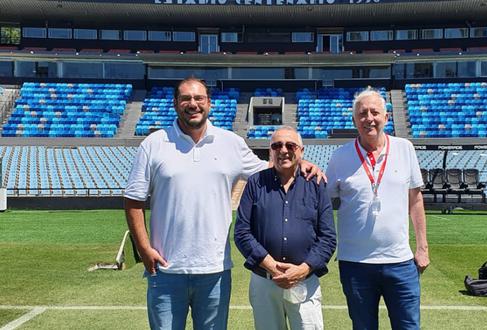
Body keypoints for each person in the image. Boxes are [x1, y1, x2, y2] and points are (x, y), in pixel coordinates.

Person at [124, 78, 323, 330]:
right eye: (186, 98)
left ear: (209, 104)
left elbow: (269, 169)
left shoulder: (230, 142)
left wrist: (301, 163)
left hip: (214, 269)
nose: (192, 104)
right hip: (166, 269)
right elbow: (133, 200)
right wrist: (143, 247)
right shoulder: (153, 144)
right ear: (175, 103)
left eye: (198, 99)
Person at [326, 88, 430, 330]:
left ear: (386, 117)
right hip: (355, 263)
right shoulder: (340, 157)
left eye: (375, 112)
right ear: (354, 120)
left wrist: (422, 248)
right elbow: (325, 204)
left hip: (400, 262)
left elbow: (415, 200)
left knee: (408, 327)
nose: (369, 118)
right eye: (362, 113)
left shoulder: (404, 148)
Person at [234, 126, 336, 330]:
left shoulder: (316, 184)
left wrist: (303, 269)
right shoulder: (256, 183)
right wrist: (271, 265)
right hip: (264, 280)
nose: (283, 150)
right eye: (277, 145)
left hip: (304, 280)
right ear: (270, 150)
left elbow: (327, 238)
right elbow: (242, 232)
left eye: (290, 145)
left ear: (301, 150)